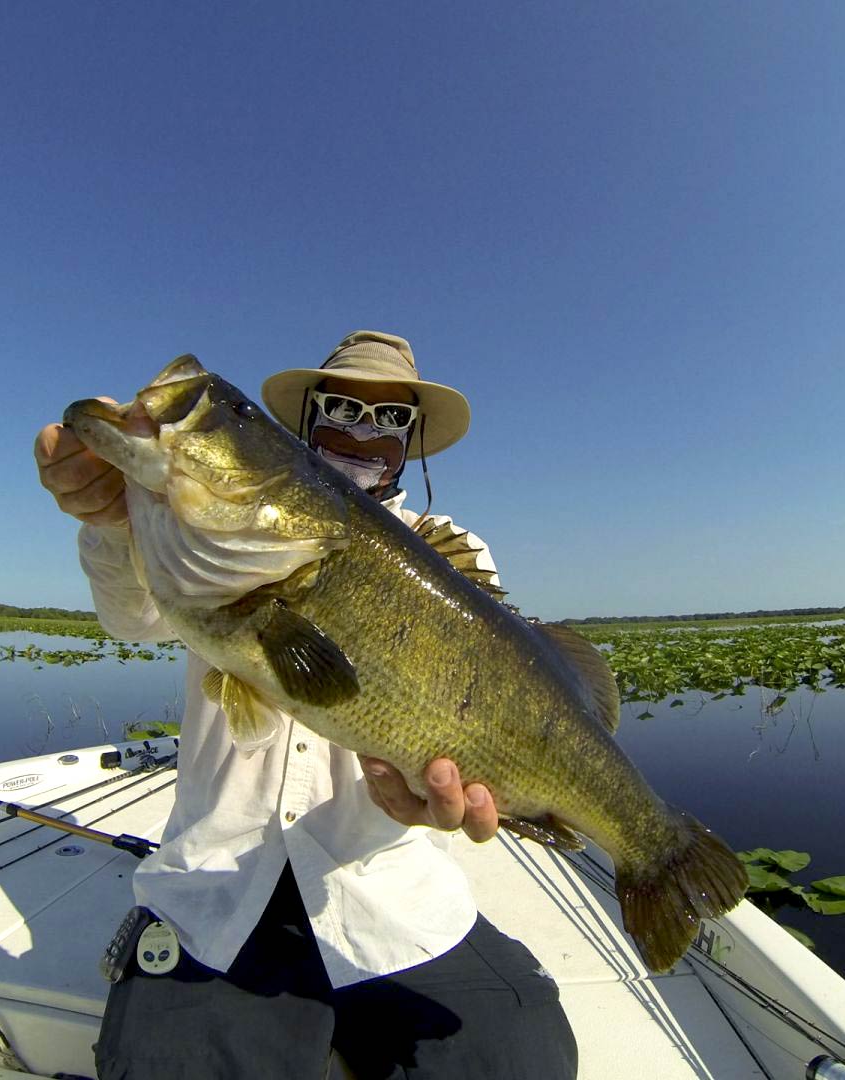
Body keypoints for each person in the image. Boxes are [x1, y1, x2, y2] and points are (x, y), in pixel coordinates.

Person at [35, 331, 579, 1079]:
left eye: (390, 420)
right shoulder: (192, 529)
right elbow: (131, 613)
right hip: (220, 889)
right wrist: (108, 520)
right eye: (343, 406)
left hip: (385, 892)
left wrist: (460, 794)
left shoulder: (453, 556)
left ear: (412, 445)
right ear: (305, 419)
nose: (363, 429)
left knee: (520, 1060)